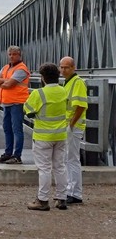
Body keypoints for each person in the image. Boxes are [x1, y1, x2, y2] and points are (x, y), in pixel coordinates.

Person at [24, 63, 68, 211]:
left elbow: (28, 110)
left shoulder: (38, 93)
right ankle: (62, 199)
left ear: (42, 78)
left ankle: (42, 200)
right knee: (60, 167)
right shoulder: (64, 91)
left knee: (44, 169)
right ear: (58, 76)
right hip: (61, 135)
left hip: (43, 136)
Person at [0, 45, 30, 164]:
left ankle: (17, 156)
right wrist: (5, 81)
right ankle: (8, 154)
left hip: (17, 103)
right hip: (7, 102)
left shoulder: (22, 69)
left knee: (17, 129)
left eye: (14, 54)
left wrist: (2, 81)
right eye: (10, 54)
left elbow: (9, 85)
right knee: (7, 128)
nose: (12, 56)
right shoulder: (6, 67)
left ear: (19, 55)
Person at [60, 56, 88, 204]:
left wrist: (71, 125)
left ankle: (75, 193)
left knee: (71, 159)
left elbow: (81, 105)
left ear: (73, 68)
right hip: (71, 125)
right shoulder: (68, 82)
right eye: (62, 67)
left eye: (66, 67)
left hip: (73, 125)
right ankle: (71, 191)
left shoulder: (77, 82)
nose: (63, 70)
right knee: (69, 159)